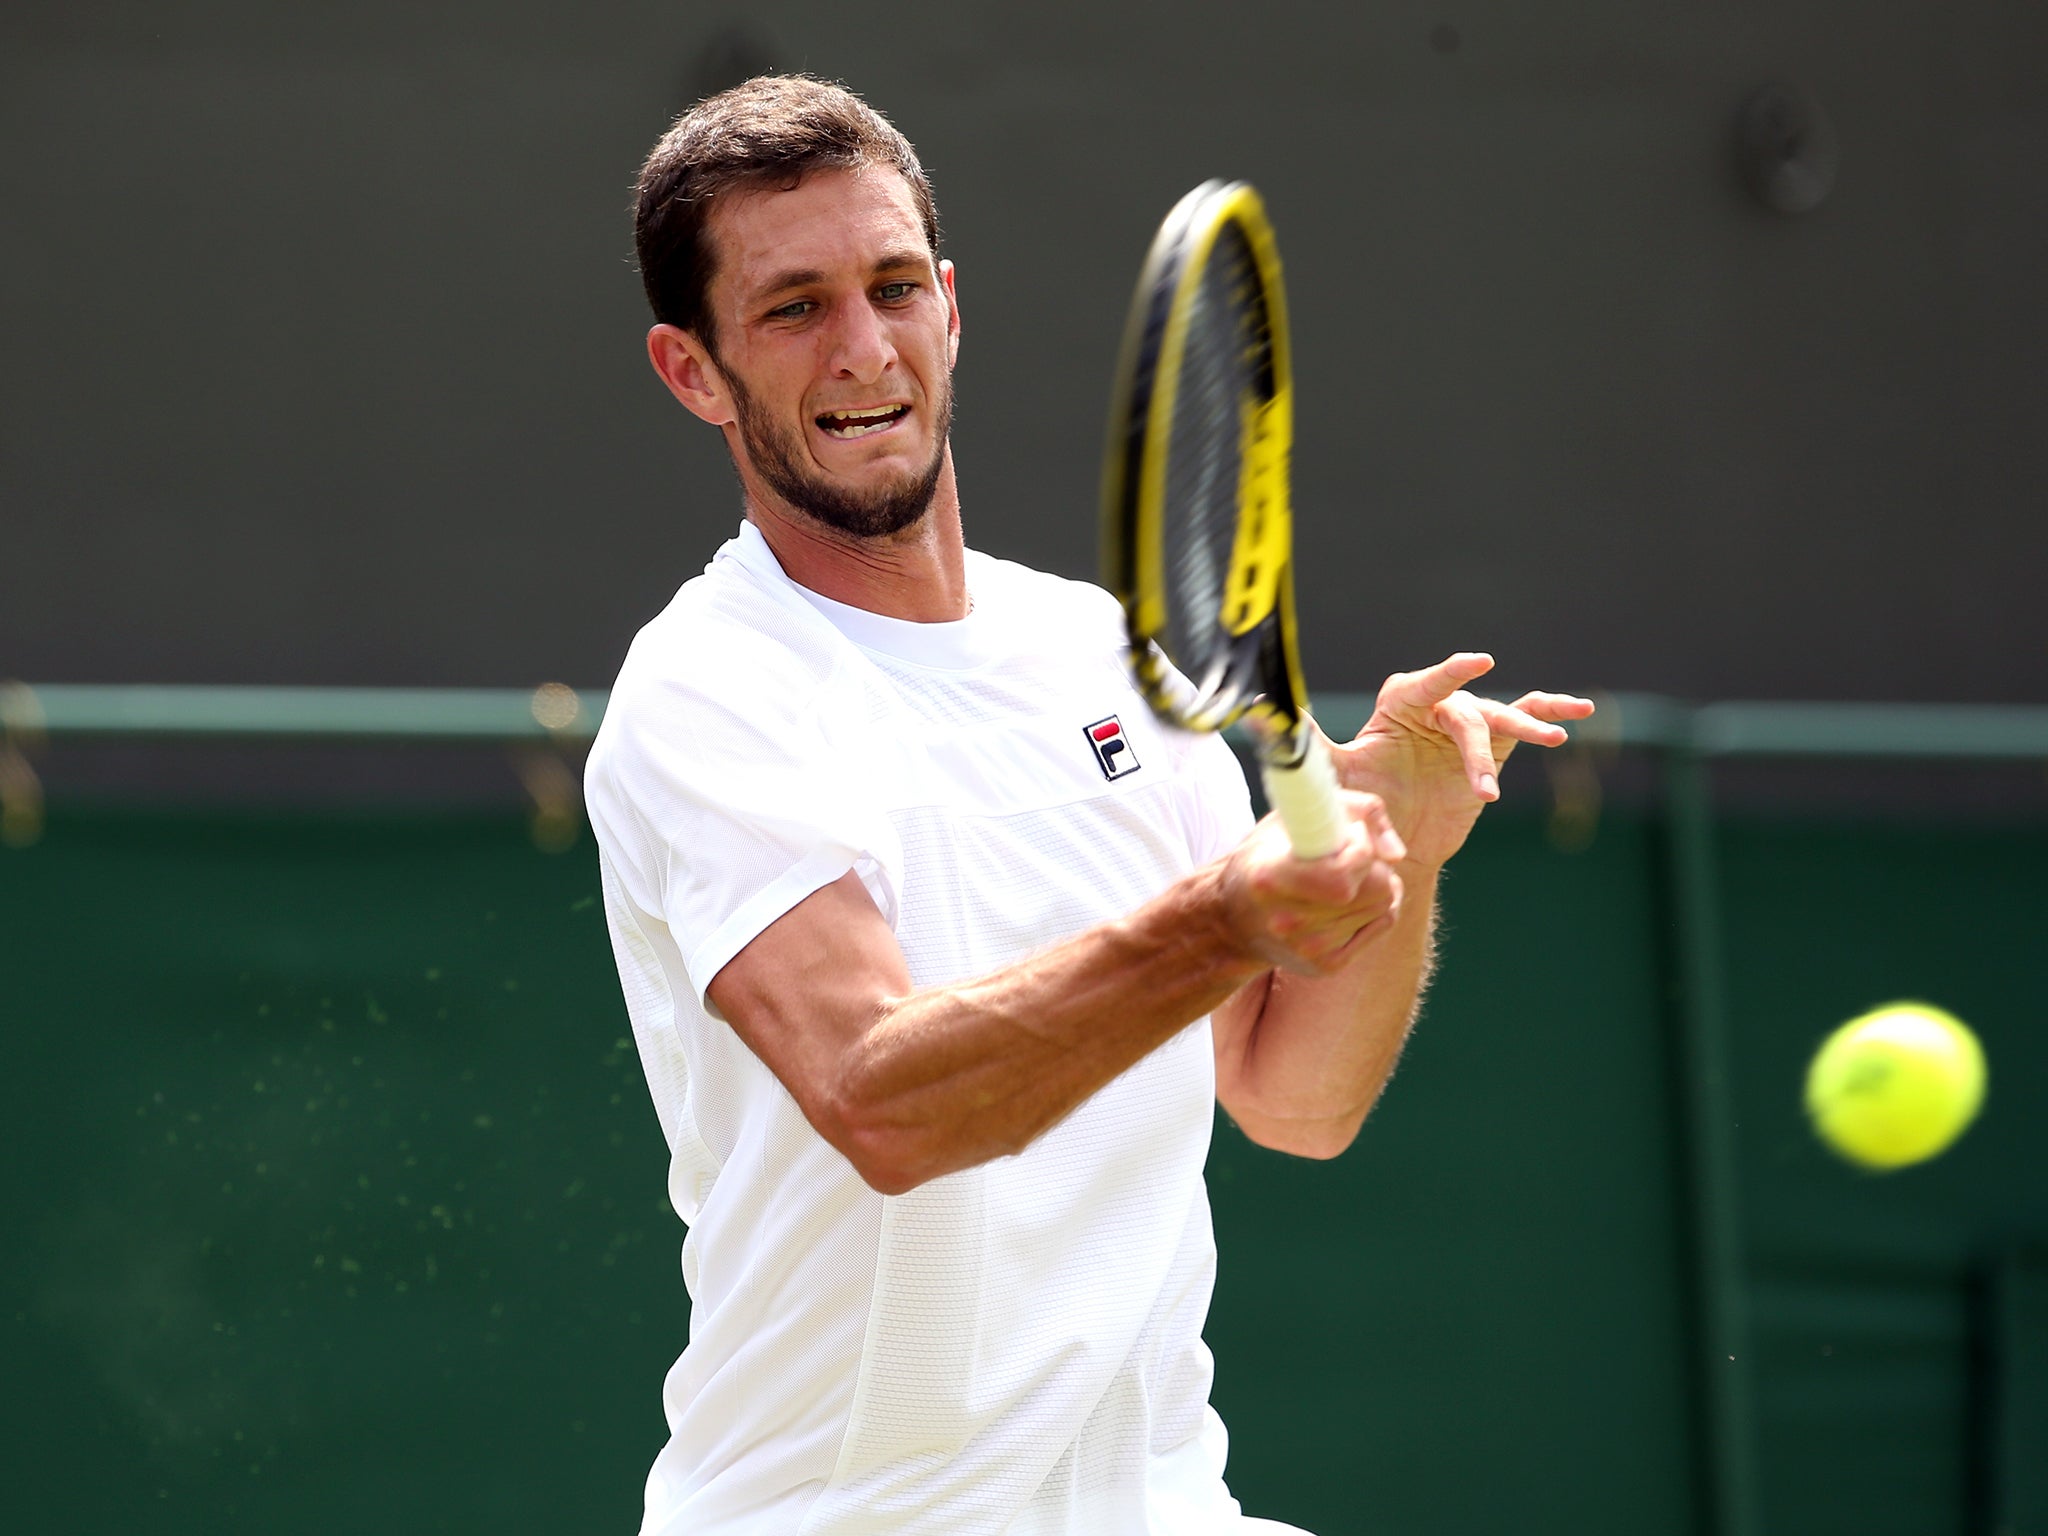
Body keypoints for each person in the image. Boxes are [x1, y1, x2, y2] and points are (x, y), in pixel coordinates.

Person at [584, 75, 1592, 1536]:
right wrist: (1226, 913)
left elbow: (1294, 1098)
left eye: (889, 288)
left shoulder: (1101, 653)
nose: (863, 347)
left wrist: (1407, 854)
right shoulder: (706, 693)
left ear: (948, 305)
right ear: (694, 370)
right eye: (793, 307)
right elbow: (882, 1100)